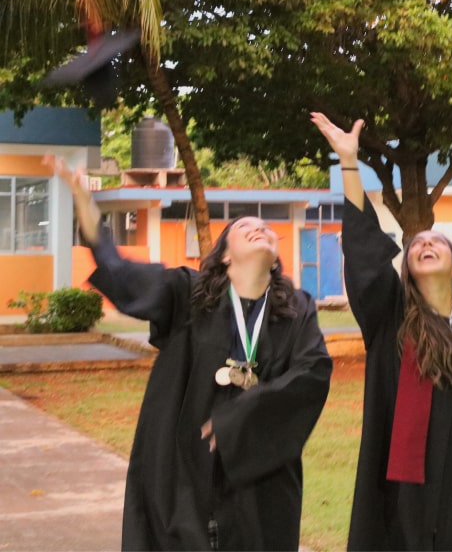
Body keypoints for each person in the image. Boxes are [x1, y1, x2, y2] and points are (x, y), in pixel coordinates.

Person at [46, 155, 332, 552]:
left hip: (259, 482)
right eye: (246, 226)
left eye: (266, 228)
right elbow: (120, 272)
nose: (260, 229)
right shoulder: (188, 294)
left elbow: (313, 374)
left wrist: (241, 418)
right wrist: (82, 197)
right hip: (184, 471)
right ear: (225, 254)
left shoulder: (296, 310)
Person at [310, 112, 452, 552]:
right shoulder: (392, 319)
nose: (426, 244)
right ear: (407, 270)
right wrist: (349, 164)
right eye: (416, 245)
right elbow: (363, 258)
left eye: (437, 243)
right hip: (418, 488)